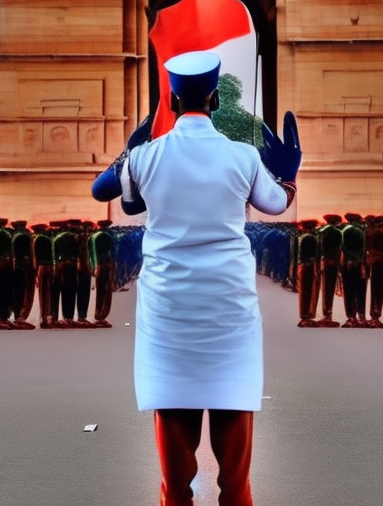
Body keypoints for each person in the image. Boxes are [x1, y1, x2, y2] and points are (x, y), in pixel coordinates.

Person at [93, 49, 301, 506]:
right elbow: (276, 203)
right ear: (216, 100)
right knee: (236, 471)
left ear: (169, 98)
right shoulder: (242, 156)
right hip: (229, 310)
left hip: (168, 312)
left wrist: (130, 152)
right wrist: (289, 173)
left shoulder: (147, 157)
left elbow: (102, 191)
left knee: (174, 469)